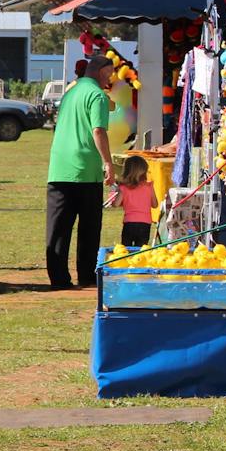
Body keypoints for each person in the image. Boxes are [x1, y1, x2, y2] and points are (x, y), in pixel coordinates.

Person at [45, 53, 115, 288]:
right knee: (89, 227)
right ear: (103, 71)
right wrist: (108, 162)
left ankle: (58, 278)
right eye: (111, 73)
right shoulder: (97, 95)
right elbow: (98, 130)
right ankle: (86, 275)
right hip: (86, 169)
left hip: (59, 168)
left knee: (58, 228)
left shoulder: (70, 92)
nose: (112, 78)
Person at [108, 154, 154, 253]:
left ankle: (126, 267)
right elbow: (155, 204)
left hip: (129, 222)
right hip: (145, 223)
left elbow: (115, 204)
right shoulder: (149, 186)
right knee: (141, 251)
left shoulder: (124, 188)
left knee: (125, 251)